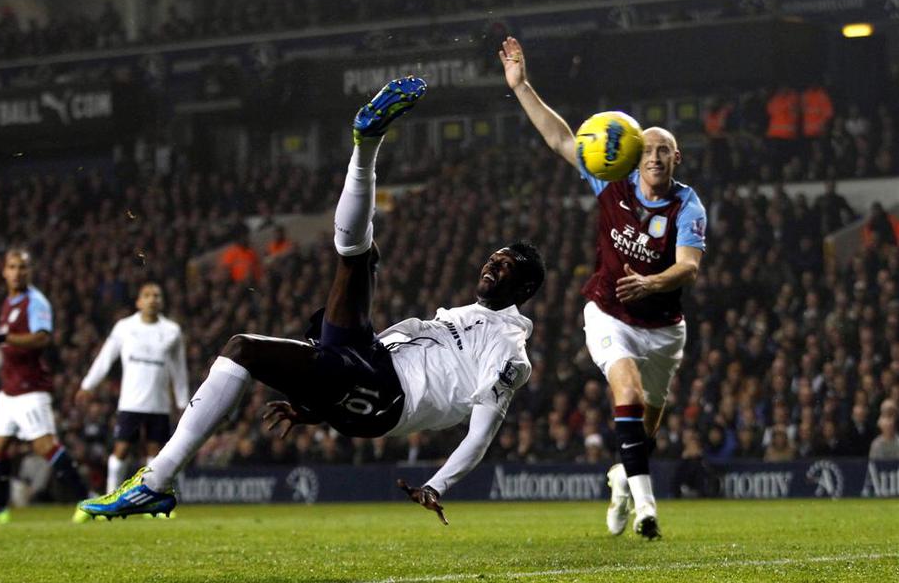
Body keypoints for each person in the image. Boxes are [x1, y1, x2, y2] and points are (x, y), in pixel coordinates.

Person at [79, 77, 545, 524]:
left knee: (244, 347)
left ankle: (157, 480)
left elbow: (482, 431)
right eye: (493, 258)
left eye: (506, 267)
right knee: (358, 254)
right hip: (369, 360)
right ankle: (366, 143)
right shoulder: (469, 315)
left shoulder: (509, 350)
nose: (492, 265)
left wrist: (438, 484)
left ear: (524, 289)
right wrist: (319, 406)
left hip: (387, 397)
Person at [500, 37, 706, 539]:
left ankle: (621, 479)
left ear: (676, 158)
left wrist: (652, 282)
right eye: (648, 150)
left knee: (646, 427)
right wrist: (521, 85)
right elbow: (560, 139)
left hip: (664, 328)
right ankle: (647, 508)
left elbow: (689, 267)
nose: (654, 157)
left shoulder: (688, 205)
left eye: (663, 150)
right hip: (609, 312)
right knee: (628, 391)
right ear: (635, 157)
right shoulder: (610, 181)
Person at [0, 249, 88, 524]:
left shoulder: (36, 302)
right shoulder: (8, 302)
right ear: (4, 271)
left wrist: (2, 337)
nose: (17, 272)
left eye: (23, 267)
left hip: (30, 387)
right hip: (8, 388)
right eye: (13, 267)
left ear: (29, 271)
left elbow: (41, 339)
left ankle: (87, 501)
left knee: (45, 446)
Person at [76, 282, 189, 495]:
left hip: (159, 404)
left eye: (157, 295)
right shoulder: (124, 327)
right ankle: (110, 495)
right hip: (131, 402)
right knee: (121, 450)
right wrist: (87, 385)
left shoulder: (172, 331)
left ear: (161, 302)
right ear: (139, 302)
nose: (152, 299)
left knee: (155, 453)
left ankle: (151, 498)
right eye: (147, 295)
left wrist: (183, 402)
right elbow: (105, 357)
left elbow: (179, 369)